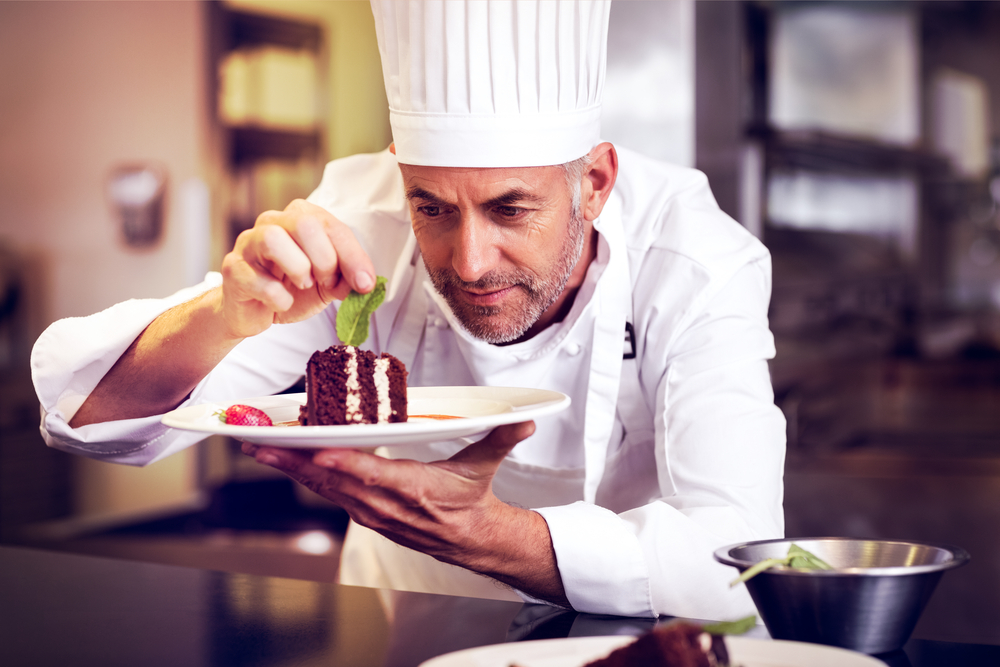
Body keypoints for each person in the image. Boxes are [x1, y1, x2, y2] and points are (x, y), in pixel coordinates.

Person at [32, 0, 785, 619]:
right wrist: (227, 313)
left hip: (632, 643)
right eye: (433, 206)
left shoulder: (694, 262)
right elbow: (92, 417)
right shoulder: (362, 225)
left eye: (510, 209)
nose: (469, 260)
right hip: (398, 630)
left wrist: (489, 535)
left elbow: (737, 558)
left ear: (594, 182)